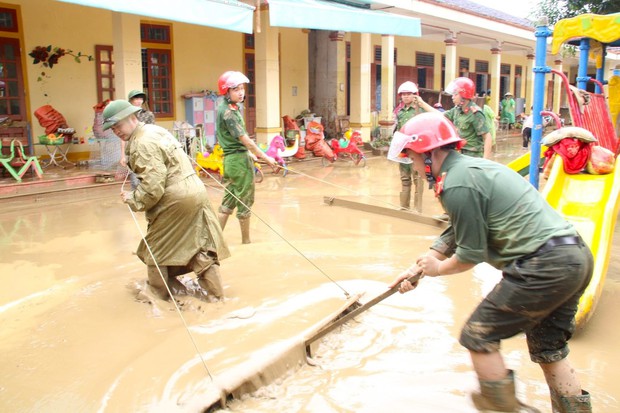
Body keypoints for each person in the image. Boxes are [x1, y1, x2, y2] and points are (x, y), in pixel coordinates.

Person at [388, 112, 593, 413]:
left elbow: (469, 256)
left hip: (543, 266)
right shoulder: (472, 169)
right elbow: (461, 228)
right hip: (574, 258)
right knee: (548, 349)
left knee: (477, 335)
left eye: (413, 158)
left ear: (429, 154)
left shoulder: (456, 185)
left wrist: (437, 270)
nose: (414, 167)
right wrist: (423, 264)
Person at [102, 99, 230, 302]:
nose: (116, 131)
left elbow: (153, 188)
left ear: (132, 118)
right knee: (199, 243)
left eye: (118, 125)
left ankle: (159, 297)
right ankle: (217, 297)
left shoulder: (142, 143)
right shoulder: (155, 130)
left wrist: (133, 199)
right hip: (195, 191)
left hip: (175, 198)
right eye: (113, 128)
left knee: (155, 248)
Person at [215, 71, 278, 244]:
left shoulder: (227, 108)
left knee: (229, 199)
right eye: (235, 89)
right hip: (238, 162)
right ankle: (246, 243)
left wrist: (249, 153)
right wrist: (267, 158)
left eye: (241, 88)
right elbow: (246, 141)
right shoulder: (229, 113)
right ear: (226, 91)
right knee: (245, 200)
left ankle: (214, 241)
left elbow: (235, 140)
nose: (241, 92)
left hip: (231, 160)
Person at [416, 77, 492, 159]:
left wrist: (485, 160)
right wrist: (422, 103)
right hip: (459, 153)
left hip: (472, 156)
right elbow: (440, 115)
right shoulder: (457, 110)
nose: (452, 97)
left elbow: (487, 137)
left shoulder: (475, 113)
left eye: (455, 94)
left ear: (464, 95)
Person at [394, 81, 426, 212]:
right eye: (403, 94)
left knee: (418, 178)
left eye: (408, 94)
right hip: (403, 149)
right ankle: (404, 207)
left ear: (415, 95)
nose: (406, 96)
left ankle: (418, 209)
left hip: (417, 149)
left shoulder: (421, 110)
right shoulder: (399, 112)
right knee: (404, 178)